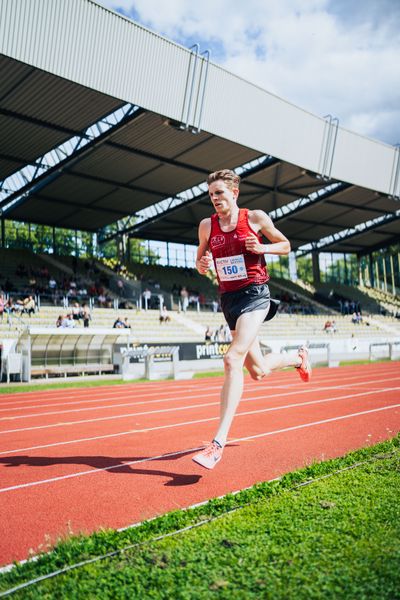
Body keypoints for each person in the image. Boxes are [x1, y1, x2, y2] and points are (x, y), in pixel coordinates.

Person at [192, 169, 311, 470]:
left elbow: (286, 245)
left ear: (234, 193)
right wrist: (202, 263)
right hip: (228, 300)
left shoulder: (255, 218)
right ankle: (298, 359)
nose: (215, 199)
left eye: (219, 193)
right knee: (257, 371)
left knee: (232, 359)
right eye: (211, 195)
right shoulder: (207, 226)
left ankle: (216, 444)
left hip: (255, 294)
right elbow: (199, 263)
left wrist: (263, 247)